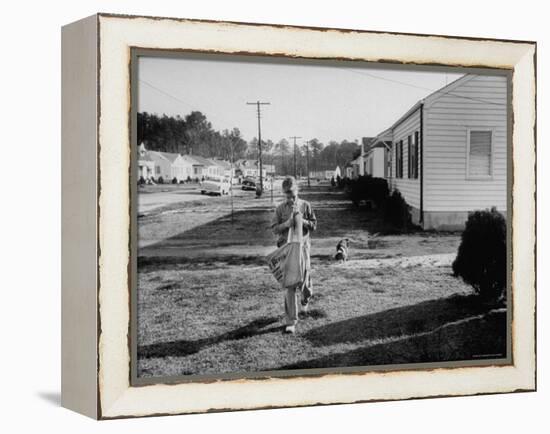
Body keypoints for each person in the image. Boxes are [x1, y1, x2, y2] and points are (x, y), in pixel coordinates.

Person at [270, 176, 317, 334]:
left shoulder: (305, 205)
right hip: (287, 249)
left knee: (304, 280)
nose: (289, 197)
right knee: (289, 284)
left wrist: (302, 221)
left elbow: (314, 225)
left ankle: (306, 297)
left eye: (291, 193)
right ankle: (291, 321)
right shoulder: (280, 209)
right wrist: (287, 224)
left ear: (297, 189)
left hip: (303, 248)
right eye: (286, 194)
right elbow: (274, 228)